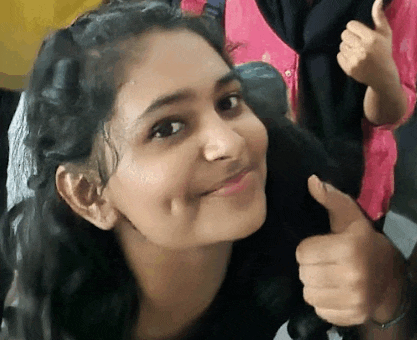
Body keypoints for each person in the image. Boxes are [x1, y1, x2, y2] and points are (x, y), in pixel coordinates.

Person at [0, 1, 412, 339]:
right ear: (89, 193)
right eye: (167, 128)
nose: (231, 143)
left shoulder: (297, 195)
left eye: (228, 102)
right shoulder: (50, 315)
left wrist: (386, 283)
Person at [179, 0, 417, 224]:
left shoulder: (395, 4)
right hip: (252, 177)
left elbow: (392, 114)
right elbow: (192, 45)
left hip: (353, 190)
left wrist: (382, 81)